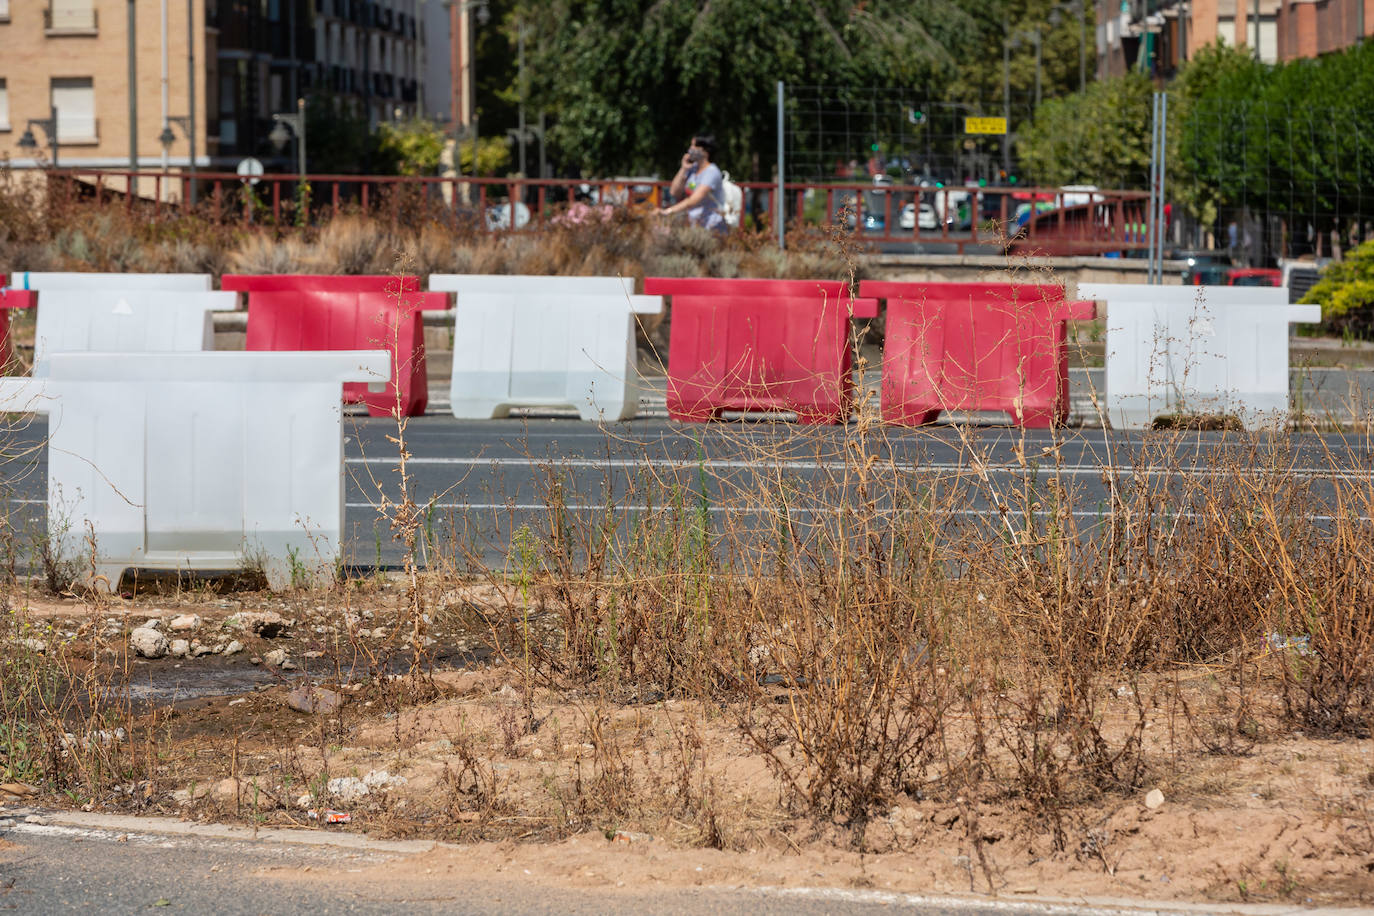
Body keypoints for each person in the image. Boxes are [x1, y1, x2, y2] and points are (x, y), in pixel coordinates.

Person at [659, 134, 725, 232]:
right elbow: (674, 192)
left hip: (711, 228)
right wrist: (683, 168)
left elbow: (693, 200)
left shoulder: (712, 172)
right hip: (694, 226)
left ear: (705, 151)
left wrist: (668, 212)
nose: (690, 149)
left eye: (694, 146)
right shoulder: (692, 169)